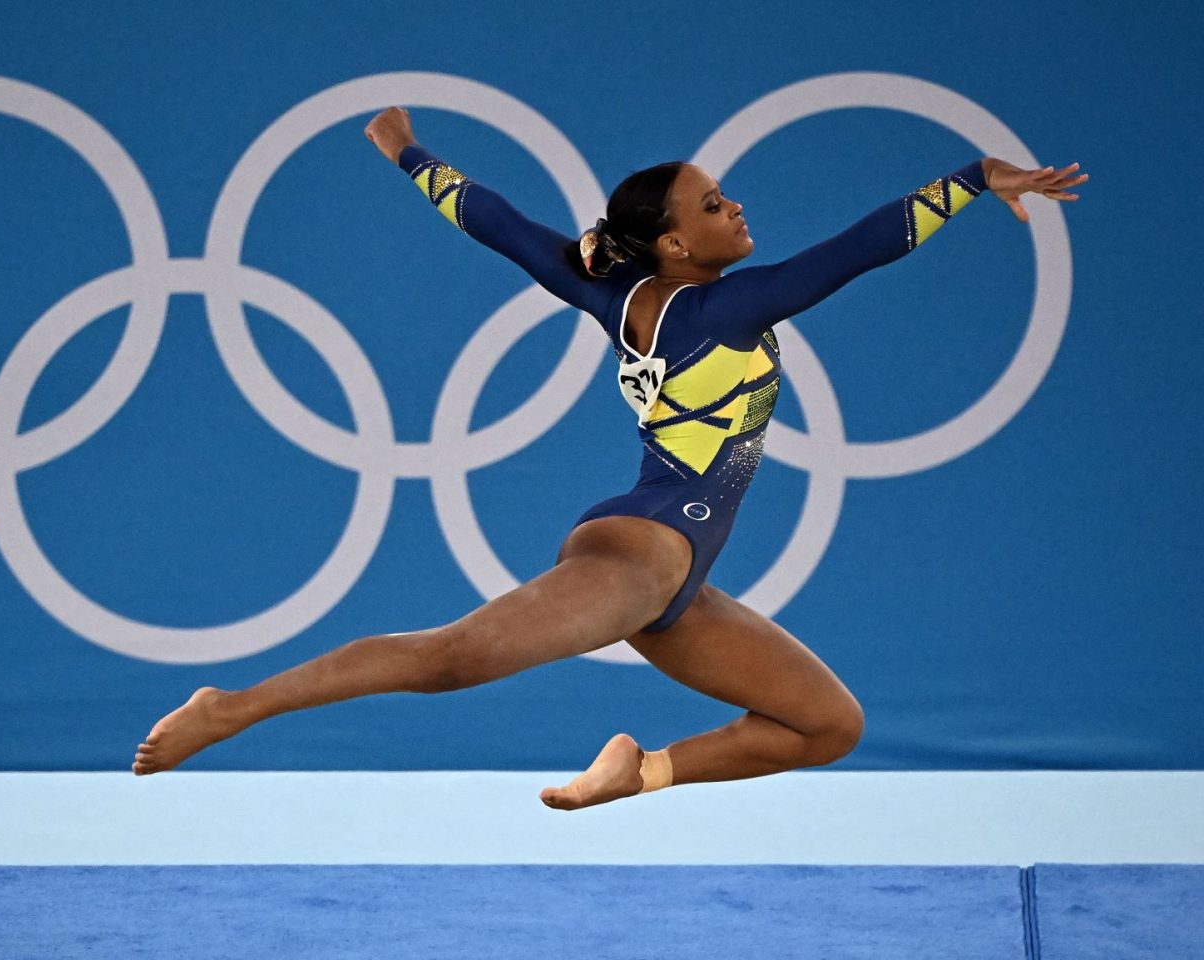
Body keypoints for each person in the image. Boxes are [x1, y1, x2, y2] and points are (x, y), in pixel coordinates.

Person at [133, 106, 1086, 810]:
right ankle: (231, 707)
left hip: (677, 577)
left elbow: (500, 224)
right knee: (451, 659)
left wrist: (408, 152)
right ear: (675, 242)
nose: (735, 206)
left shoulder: (615, 291)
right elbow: (858, 249)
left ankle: (642, 770)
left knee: (828, 726)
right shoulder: (724, 309)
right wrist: (972, 178)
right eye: (713, 204)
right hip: (637, 554)